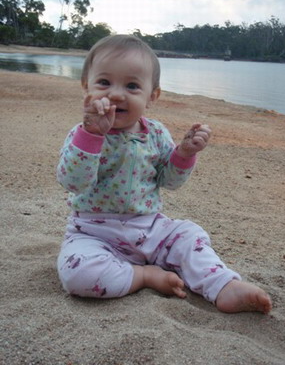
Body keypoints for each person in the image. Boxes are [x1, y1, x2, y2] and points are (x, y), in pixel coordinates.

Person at [57, 34, 272, 314]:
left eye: (132, 85)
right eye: (104, 83)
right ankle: (144, 275)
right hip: (94, 234)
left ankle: (222, 285)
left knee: (189, 236)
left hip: (151, 230)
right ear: (87, 88)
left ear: (152, 96)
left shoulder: (156, 134)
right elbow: (73, 182)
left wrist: (183, 154)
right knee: (78, 274)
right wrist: (92, 135)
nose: (117, 94)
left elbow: (169, 182)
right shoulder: (82, 134)